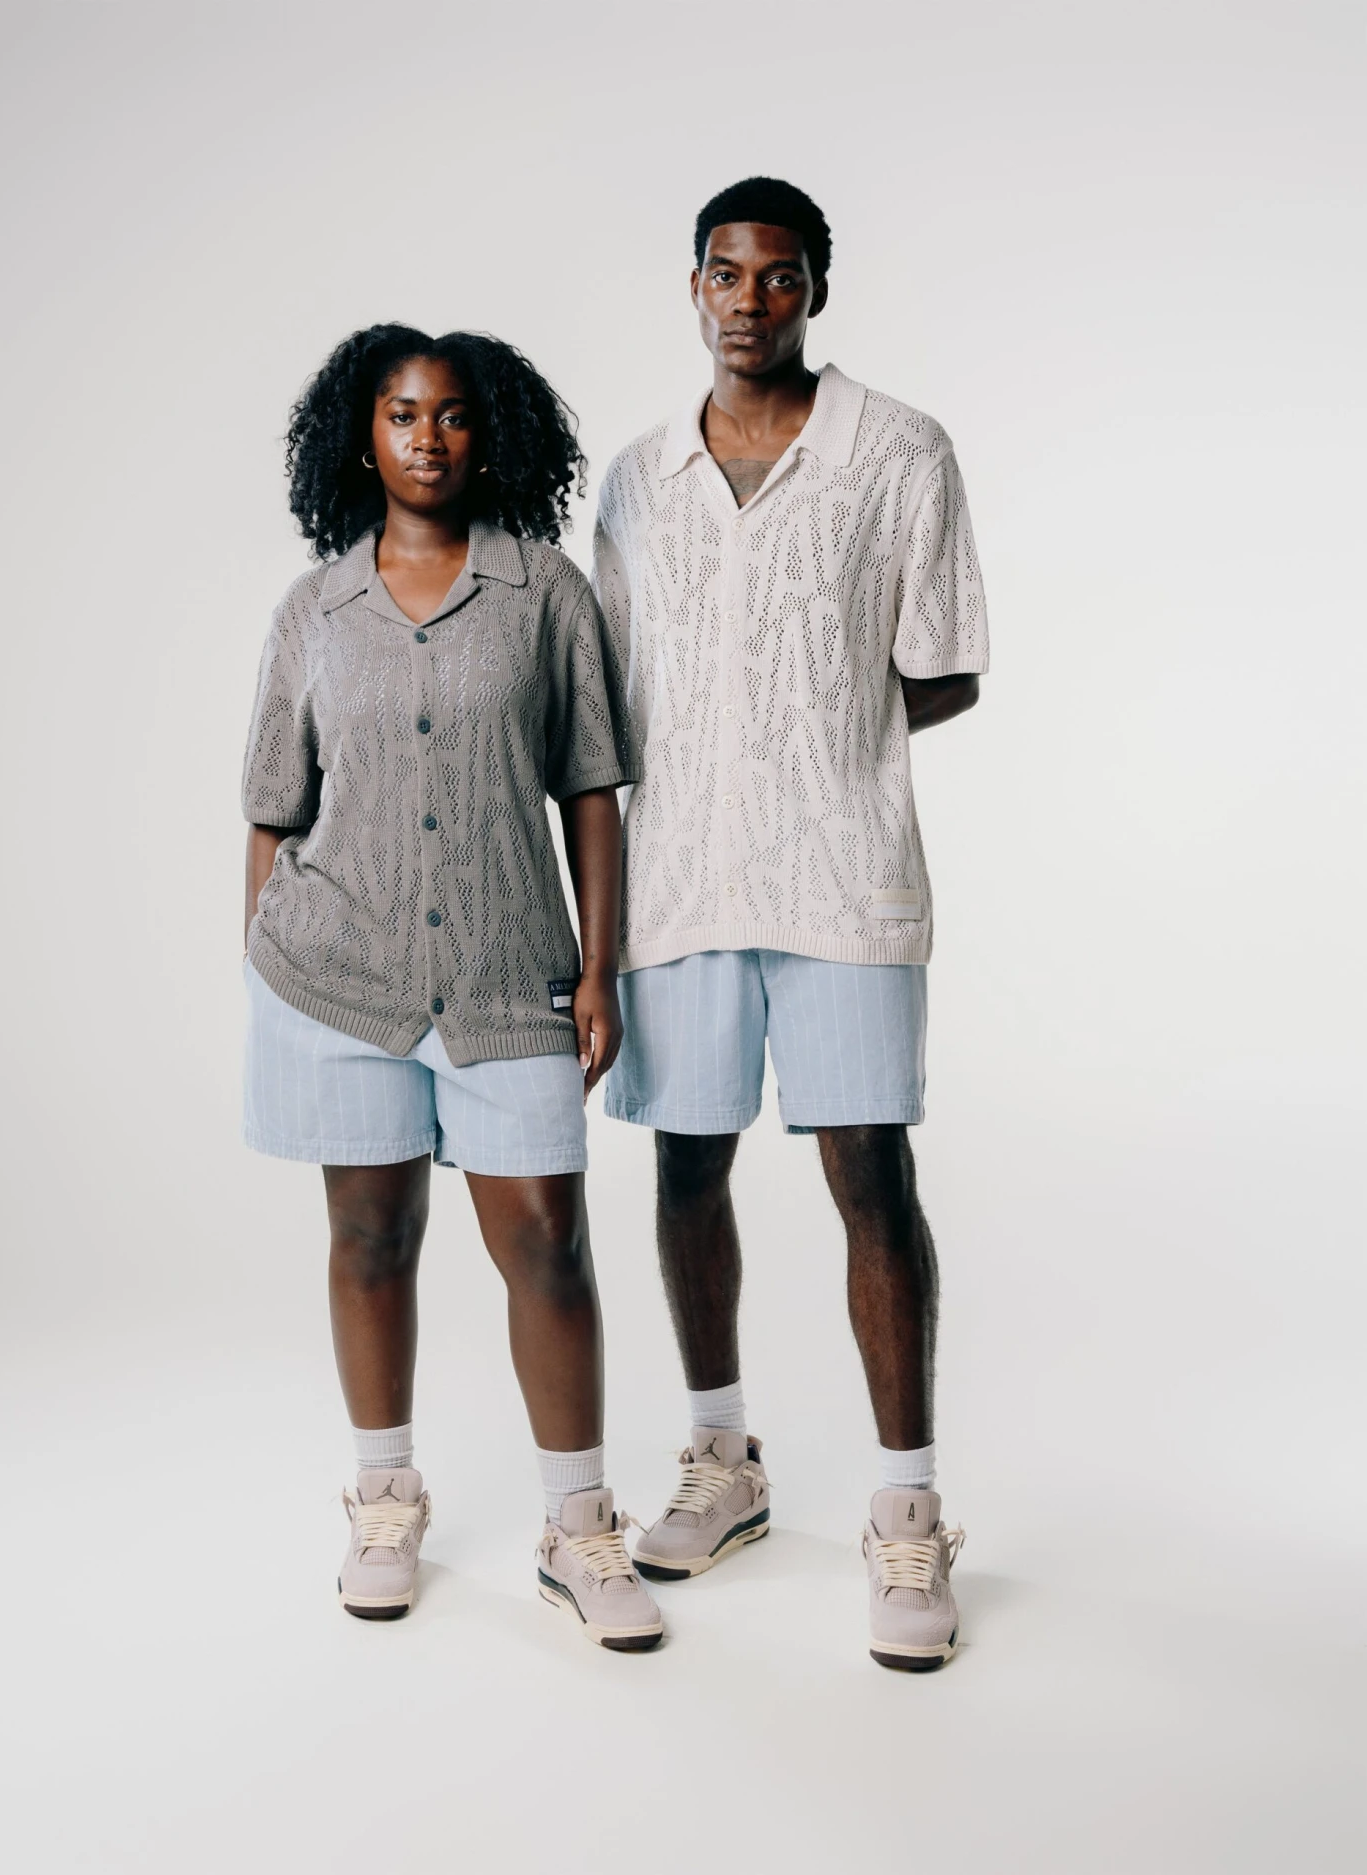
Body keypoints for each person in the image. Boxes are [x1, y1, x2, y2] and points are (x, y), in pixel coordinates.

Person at [593, 179, 988, 1670]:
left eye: (778, 276)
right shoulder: (637, 481)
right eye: (725, 273)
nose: (748, 301)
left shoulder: (900, 452)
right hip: (680, 877)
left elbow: (946, 663)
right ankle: (723, 1462)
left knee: (870, 1172)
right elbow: (613, 692)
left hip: (842, 874)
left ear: (816, 288)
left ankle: (907, 1508)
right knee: (685, 1163)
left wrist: (816, 733)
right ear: (692, 286)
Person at [241, 324, 662, 1651]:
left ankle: (580, 1524)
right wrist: (265, 949)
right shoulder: (314, 610)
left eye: (454, 415)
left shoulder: (545, 593)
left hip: (506, 974)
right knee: (370, 1236)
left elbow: (590, 790)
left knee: (547, 1240)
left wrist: (600, 967)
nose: (428, 438)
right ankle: (384, 1500)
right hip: (339, 982)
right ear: (360, 436)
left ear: (493, 435)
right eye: (402, 413)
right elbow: (272, 803)